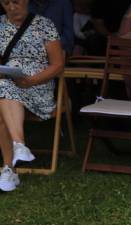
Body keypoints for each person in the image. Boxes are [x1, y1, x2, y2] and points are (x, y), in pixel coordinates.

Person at [0, 0, 64, 191]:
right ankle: (18, 147)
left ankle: (9, 168)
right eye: (6, 3)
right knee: (3, 88)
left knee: (1, 95)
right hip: (6, 82)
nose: (12, 7)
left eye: (16, 2)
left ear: (26, 1)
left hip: (38, 85)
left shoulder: (45, 24)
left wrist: (32, 81)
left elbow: (58, 64)